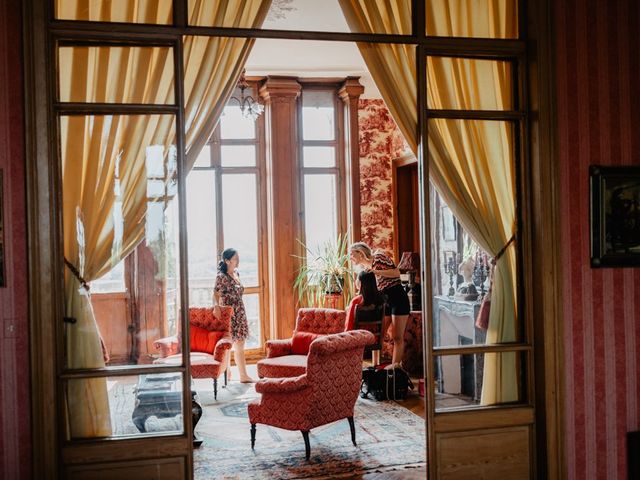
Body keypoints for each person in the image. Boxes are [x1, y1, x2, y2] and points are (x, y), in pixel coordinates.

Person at [349, 242, 410, 368]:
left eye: (352, 254)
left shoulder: (378, 258)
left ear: (360, 253)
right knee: (378, 337)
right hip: (385, 301)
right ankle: (375, 366)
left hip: (398, 298)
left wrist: (376, 272)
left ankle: (394, 370)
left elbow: (396, 273)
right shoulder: (365, 270)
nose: (350, 257)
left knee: (397, 337)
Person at [213, 248, 255, 383]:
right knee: (229, 345)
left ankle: (243, 375)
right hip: (229, 313)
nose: (238, 261)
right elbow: (215, 293)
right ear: (227, 260)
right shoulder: (221, 277)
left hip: (240, 312)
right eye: (235, 258)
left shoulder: (236, 273)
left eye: (238, 258)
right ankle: (228, 373)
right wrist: (216, 306)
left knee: (240, 343)